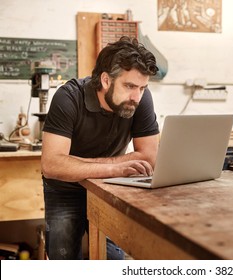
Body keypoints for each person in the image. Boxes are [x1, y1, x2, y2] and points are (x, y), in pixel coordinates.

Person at [41, 36, 160, 260]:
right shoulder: (68, 98)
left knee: (112, 261)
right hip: (65, 189)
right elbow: (52, 164)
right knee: (62, 261)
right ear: (106, 80)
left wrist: (80, 164)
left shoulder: (140, 99)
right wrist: (115, 167)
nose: (137, 96)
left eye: (143, 88)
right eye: (129, 86)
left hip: (108, 188)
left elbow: (149, 157)